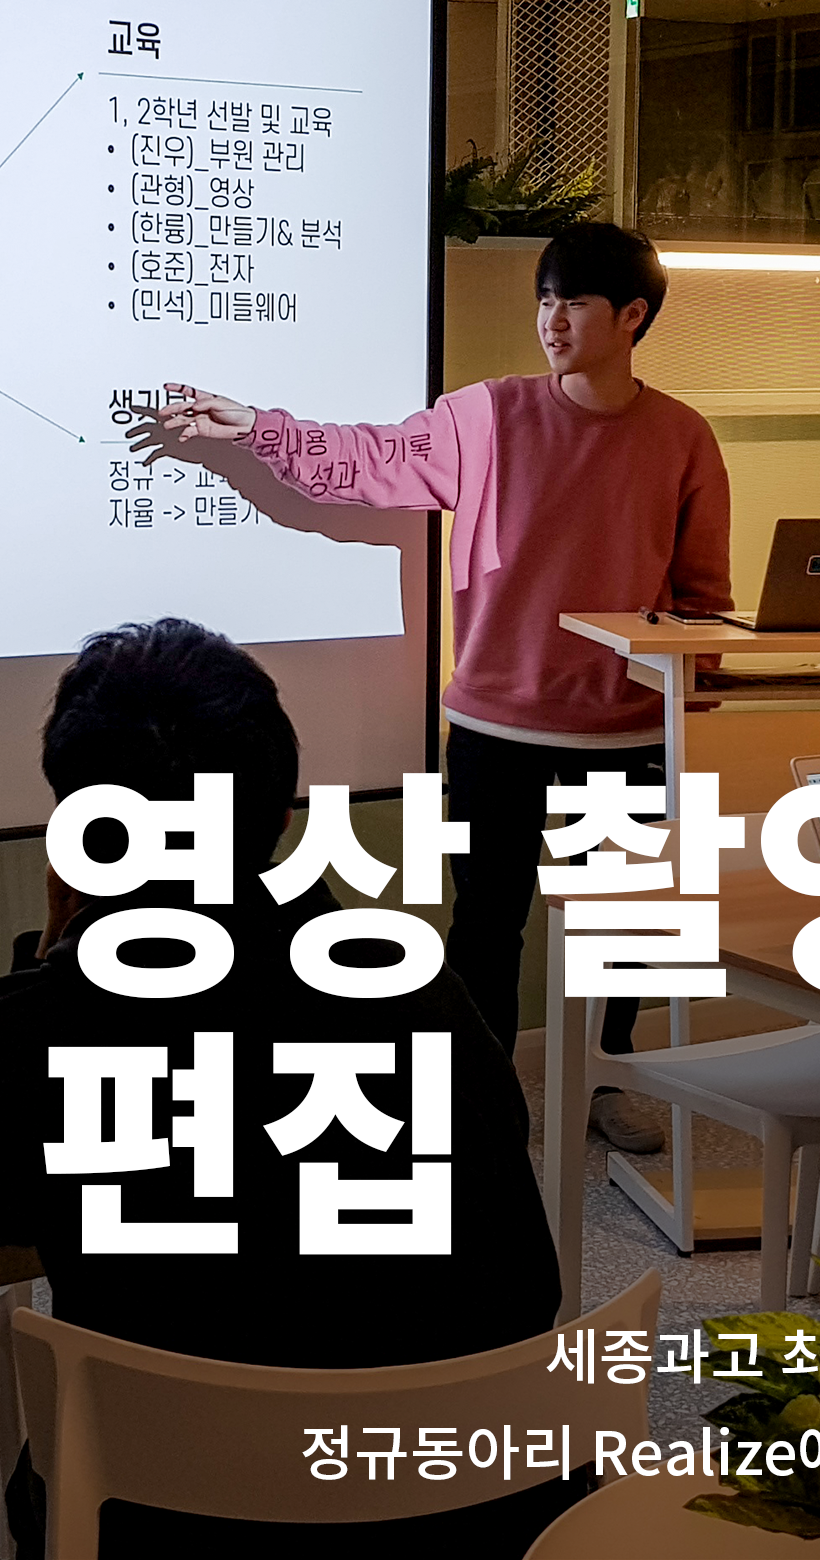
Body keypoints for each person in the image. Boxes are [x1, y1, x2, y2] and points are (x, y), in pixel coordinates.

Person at [136, 222, 733, 1154]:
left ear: (631, 316)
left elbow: (703, 598)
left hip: (627, 728)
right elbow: (368, 457)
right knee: (487, 925)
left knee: (626, 925)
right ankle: (485, 1098)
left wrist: (703, 703)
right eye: (544, 299)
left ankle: (610, 1075)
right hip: (496, 724)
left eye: (573, 301)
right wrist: (256, 427)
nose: (552, 320)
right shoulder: (487, 415)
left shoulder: (682, 436)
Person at [0, 619, 569, 1558]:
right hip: (474, 1508)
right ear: (281, 808)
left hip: (170, 1518)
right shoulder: (421, 981)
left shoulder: (44, 1026)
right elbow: (522, 1283)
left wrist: (59, 954)